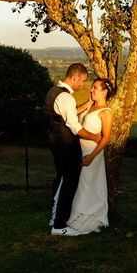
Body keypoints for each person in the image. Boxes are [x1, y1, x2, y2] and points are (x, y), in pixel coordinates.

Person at [46, 63, 101, 236]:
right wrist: (95, 138)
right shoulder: (67, 97)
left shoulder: (54, 92)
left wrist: (87, 104)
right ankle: (59, 225)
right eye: (83, 81)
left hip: (55, 144)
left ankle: (54, 218)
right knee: (68, 184)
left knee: (61, 180)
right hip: (66, 146)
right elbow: (75, 127)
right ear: (75, 77)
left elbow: (67, 115)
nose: (83, 85)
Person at [67, 77, 115, 235]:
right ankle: (76, 215)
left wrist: (92, 156)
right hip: (80, 150)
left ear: (104, 92)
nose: (91, 90)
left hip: (92, 152)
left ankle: (90, 214)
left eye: (95, 88)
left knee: (87, 185)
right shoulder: (91, 106)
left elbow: (106, 138)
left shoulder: (106, 113)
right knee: (81, 184)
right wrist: (88, 104)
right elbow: (73, 113)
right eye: (92, 87)